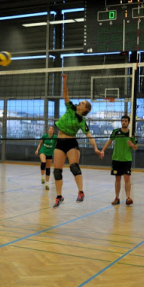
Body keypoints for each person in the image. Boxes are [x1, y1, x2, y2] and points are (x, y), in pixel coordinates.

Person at [52, 74, 103, 208]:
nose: (79, 102)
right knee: (57, 171)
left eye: (82, 103)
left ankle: (81, 192)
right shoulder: (71, 108)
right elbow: (65, 94)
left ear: (85, 109)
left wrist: (96, 149)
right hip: (60, 142)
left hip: (71, 144)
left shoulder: (81, 120)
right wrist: (64, 82)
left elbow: (89, 135)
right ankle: (59, 196)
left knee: (74, 167)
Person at [100, 115, 138, 206]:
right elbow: (109, 141)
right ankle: (117, 198)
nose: (124, 122)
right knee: (117, 178)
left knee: (127, 178)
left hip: (127, 159)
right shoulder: (116, 132)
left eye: (125, 121)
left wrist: (132, 145)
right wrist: (103, 150)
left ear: (129, 122)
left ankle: (128, 198)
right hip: (116, 159)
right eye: (122, 121)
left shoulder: (131, 134)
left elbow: (136, 147)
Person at [35, 126, 57, 190]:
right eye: (49, 129)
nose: (50, 130)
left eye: (52, 129)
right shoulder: (45, 136)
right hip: (43, 151)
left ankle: (47, 184)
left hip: (50, 153)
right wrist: (37, 150)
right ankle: (42, 177)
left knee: (48, 168)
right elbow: (40, 144)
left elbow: (58, 144)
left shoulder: (55, 138)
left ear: (53, 131)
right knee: (43, 162)